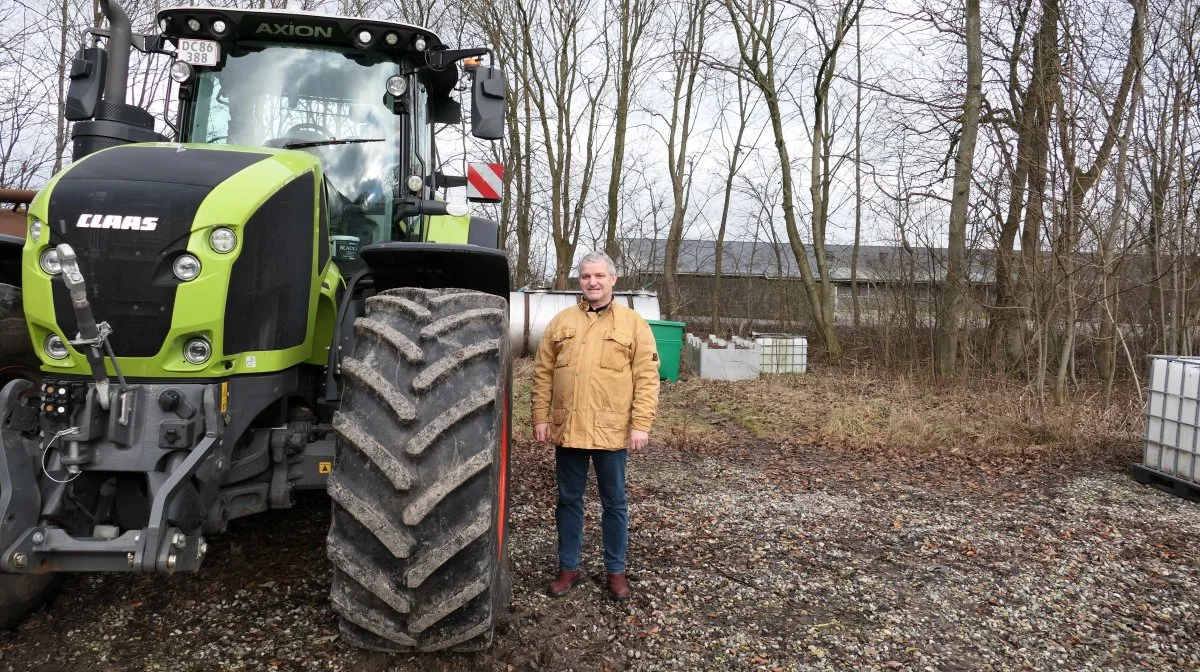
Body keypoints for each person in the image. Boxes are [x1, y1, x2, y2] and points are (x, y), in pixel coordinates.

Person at [531, 251, 661, 601]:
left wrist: (641, 424)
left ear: (613, 279)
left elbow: (647, 378)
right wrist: (541, 417)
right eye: (587, 276)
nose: (593, 282)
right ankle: (568, 567)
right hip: (569, 429)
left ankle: (615, 572)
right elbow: (543, 374)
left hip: (612, 431)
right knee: (568, 501)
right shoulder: (561, 323)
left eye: (599, 276)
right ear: (580, 281)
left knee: (614, 503)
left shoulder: (633, 324)